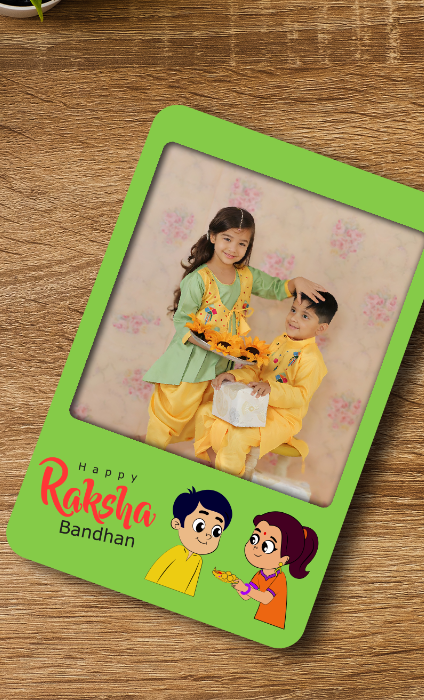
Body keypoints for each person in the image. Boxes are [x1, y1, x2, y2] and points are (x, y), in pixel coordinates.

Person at [143, 206, 326, 450]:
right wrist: (204, 343)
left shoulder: (246, 276)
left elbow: (274, 287)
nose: (233, 248)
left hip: (219, 366)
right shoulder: (199, 279)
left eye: (242, 243)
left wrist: (297, 282)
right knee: (171, 415)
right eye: (227, 239)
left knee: (206, 415)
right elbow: (182, 319)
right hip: (189, 363)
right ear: (213, 237)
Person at [194, 291, 337, 478]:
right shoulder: (280, 342)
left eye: (304, 316)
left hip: (281, 417)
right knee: (205, 411)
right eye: (293, 310)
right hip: (256, 405)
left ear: (320, 328)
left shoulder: (312, 360)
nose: (294, 318)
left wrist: (272, 389)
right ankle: (210, 463)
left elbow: (301, 395)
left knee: (238, 436)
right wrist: (233, 376)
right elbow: (258, 371)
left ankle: (227, 482)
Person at [232, 511, 318, 629]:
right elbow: (247, 596)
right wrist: (237, 585)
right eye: (254, 539)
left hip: (273, 624)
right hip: (259, 620)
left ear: (283, 560)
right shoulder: (259, 574)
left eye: (266, 546)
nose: (255, 547)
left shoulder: (279, 579)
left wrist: (245, 589)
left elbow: (265, 598)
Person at [145, 487, 233, 597]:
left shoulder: (198, 560)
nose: (208, 534)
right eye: (200, 526)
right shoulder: (176, 551)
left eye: (216, 531)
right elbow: (155, 573)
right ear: (177, 523)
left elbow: (191, 587)